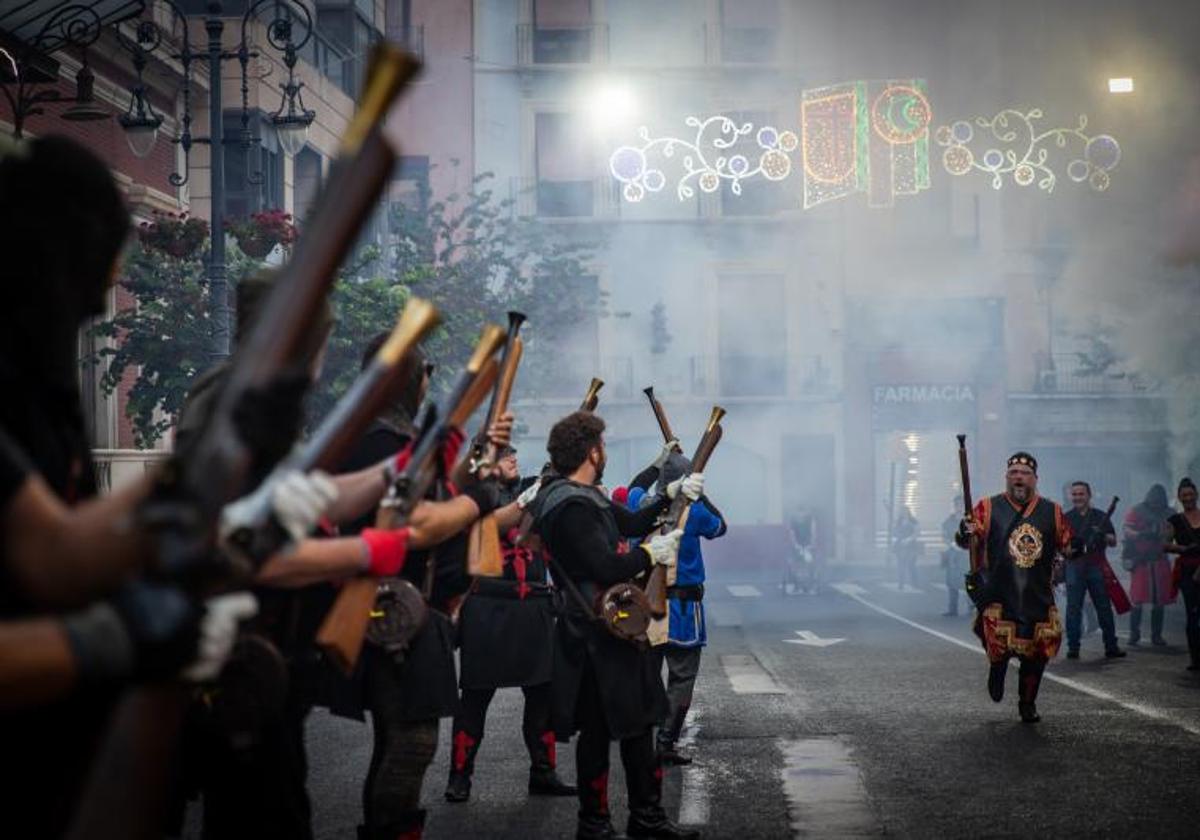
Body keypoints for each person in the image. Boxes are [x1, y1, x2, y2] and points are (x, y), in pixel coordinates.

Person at [329, 337, 508, 840]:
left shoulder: (384, 438)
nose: (429, 380)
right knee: (411, 744)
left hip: (406, 607)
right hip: (398, 609)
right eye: (423, 371)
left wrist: (476, 458)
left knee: (399, 742)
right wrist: (478, 499)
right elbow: (419, 521)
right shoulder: (380, 443)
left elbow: (434, 489)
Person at [528, 410, 703, 840]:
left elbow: (631, 522)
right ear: (592, 451)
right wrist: (650, 555)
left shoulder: (584, 497)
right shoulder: (570, 505)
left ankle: (640, 820)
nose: (604, 452)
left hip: (605, 629)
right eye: (602, 445)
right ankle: (601, 824)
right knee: (607, 730)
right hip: (596, 634)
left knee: (631, 726)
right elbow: (605, 564)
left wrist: (671, 494)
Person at [445, 445, 576, 803]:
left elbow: (561, 486)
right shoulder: (473, 500)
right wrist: (528, 499)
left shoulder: (532, 488)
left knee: (542, 697)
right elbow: (490, 523)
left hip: (533, 607)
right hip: (488, 608)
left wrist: (553, 479)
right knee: (474, 700)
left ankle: (543, 772)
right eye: (504, 455)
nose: (514, 457)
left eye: (514, 453)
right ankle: (460, 776)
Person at [956, 452, 1074, 723]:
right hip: (999, 592)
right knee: (998, 645)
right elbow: (965, 540)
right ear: (1007, 477)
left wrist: (1077, 547)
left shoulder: (1052, 511)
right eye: (1013, 473)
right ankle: (997, 668)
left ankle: (1027, 703)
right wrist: (965, 531)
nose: (1018, 477)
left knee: (1037, 654)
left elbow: (1067, 544)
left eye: (1024, 473)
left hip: (1037, 594)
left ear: (1035, 478)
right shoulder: (987, 507)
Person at [637, 453, 726, 767]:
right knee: (682, 678)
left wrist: (657, 463)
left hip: (646, 608)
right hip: (683, 609)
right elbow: (721, 527)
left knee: (647, 674)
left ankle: (642, 738)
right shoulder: (696, 512)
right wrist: (698, 492)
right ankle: (665, 742)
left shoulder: (640, 506)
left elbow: (636, 486)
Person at [1062, 482, 1125, 660]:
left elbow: (1113, 541)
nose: (1077, 497)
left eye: (1081, 494)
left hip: (1096, 565)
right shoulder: (1066, 518)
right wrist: (1069, 550)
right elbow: (1061, 545)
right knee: (1073, 608)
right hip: (1074, 566)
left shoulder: (1100, 516)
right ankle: (1073, 647)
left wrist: (1102, 535)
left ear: (1088, 496)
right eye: (1074, 494)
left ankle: (1111, 646)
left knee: (1103, 607)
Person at [1121, 484, 1174, 646]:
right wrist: (1141, 534)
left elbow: (1172, 534)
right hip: (1141, 561)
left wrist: (1162, 534)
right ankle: (1134, 634)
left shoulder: (1170, 514)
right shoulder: (1137, 511)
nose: (1156, 503)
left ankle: (1156, 635)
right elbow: (1126, 530)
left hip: (1159, 560)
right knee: (1137, 599)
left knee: (1159, 601)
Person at [1164, 478, 1200, 671]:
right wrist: (1184, 548)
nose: (1188, 498)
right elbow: (1165, 544)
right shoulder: (1174, 521)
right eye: (1184, 495)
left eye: (1190, 494)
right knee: (1193, 615)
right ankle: (1196, 658)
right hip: (1188, 571)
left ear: (1196, 495)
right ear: (1179, 497)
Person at [940, 497, 968, 616]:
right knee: (951, 581)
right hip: (953, 553)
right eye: (957, 505)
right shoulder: (948, 521)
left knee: (968, 580)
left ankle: (971, 606)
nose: (959, 507)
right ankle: (952, 608)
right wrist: (951, 544)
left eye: (961, 505)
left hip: (967, 554)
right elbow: (944, 536)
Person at [893, 506, 920, 590]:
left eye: (905, 511)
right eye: (902, 511)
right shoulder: (898, 521)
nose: (904, 513)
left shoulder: (913, 521)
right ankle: (901, 584)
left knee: (911, 565)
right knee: (901, 565)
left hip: (911, 546)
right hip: (900, 546)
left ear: (908, 512)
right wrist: (899, 538)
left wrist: (908, 540)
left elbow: (917, 532)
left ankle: (914, 583)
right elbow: (894, 532)